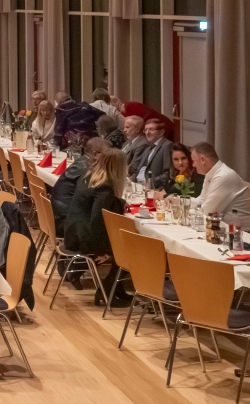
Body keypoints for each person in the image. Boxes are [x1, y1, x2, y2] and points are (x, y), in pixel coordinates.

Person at [63, 149, 130, 306]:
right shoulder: (104, 188)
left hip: (73, 231)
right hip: (84, 237)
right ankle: (107, 290)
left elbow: (98, 206)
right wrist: (103, 252)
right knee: (129, 247)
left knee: (125, 244)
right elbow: (98, 221)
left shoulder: (89, 177)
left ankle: (117, 288)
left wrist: (119, 203)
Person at [193, 142, 250, 232]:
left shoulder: (223, 176)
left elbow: (206, 212)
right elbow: (200, 201)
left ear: (202, 160)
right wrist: (175, 199)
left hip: (246, 234)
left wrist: (187, 213)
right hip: (229, 229)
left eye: (194, 161)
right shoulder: (211, 174)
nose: (193, 165)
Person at [51, 137, 111, 234]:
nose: (110, 157)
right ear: (95, 154)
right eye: (107, 154)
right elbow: (97, 197)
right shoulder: (88, 170)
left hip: (57, 217)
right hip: (66, 223)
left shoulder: (83, 162)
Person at [133, 119, 171, 187]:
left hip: (153, 188)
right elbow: (138, 169)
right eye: (146, 130)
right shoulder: (148, 147)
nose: (147, 133)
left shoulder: (167, 146)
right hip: (138, 185)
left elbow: (168, 173)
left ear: (161, 132)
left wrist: (150, 182)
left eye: (151, 129)